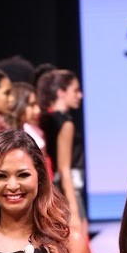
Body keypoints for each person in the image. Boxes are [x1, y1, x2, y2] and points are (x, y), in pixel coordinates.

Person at [37, 69, 88, 235]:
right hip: (67, 190)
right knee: (78, 238)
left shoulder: (43, 119)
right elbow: (64, 168)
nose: (80, 95)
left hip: (52, 190)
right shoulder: (65, 123)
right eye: (75, 90)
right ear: (61, 92)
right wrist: (74, 210)